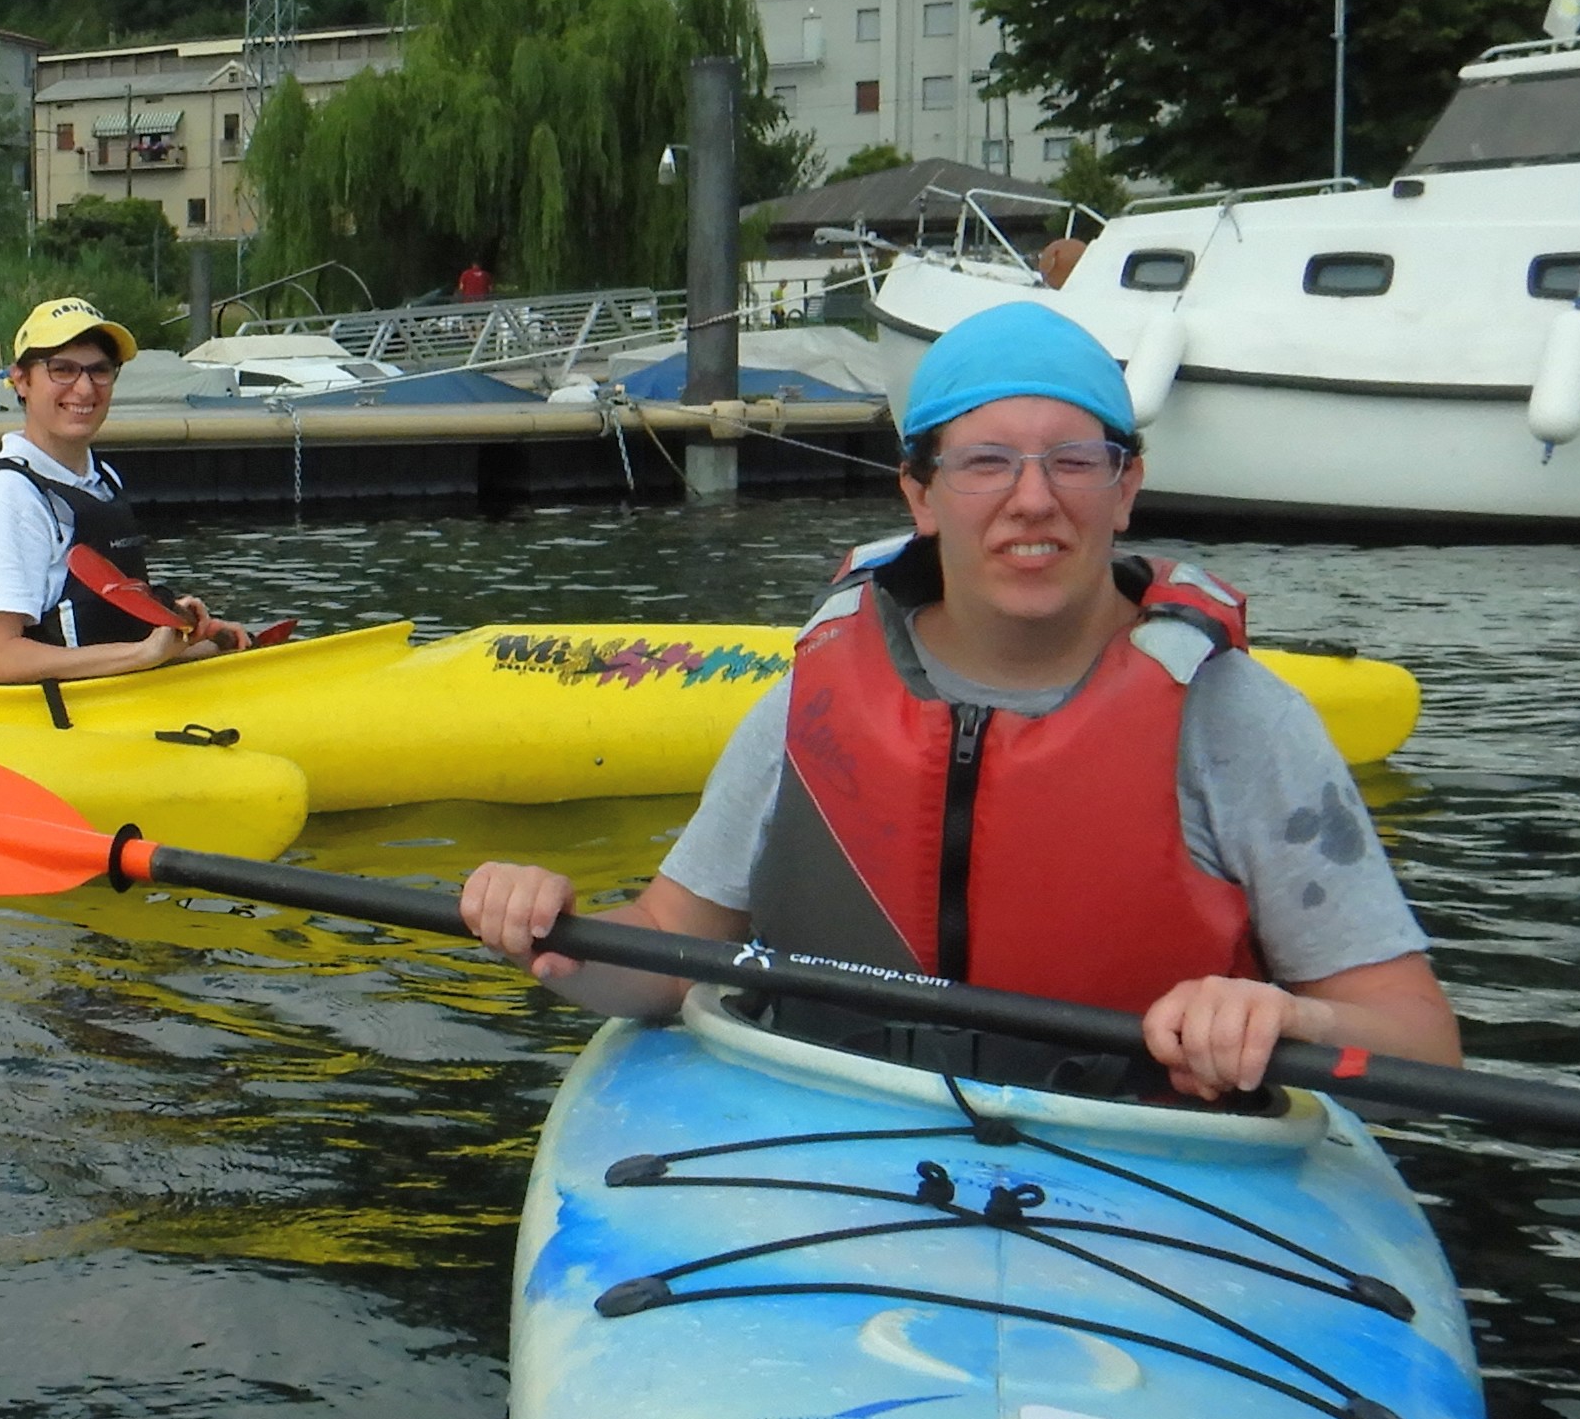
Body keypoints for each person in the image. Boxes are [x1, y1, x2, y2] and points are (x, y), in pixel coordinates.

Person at [456, 303, 1461, 1102]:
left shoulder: (1240, 722)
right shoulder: (813, 700)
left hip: (1149, 1166)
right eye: (986, 464)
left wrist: (1297, 1023)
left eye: (1073, 460)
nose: (1034, 500)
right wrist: (559, 934)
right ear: (923, 496)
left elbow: (1420, 1041)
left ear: (1126, 487)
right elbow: (670, 952)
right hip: (839, 1126)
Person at [0, 295, 254, 682]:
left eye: (99, 370)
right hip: (44, 725)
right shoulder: (6, 496)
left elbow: (103, 616)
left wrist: (187, 634)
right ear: (21, 380)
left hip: (112, 702)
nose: (84, 389)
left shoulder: (100, 479)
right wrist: (143, 653)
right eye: (62, 370)